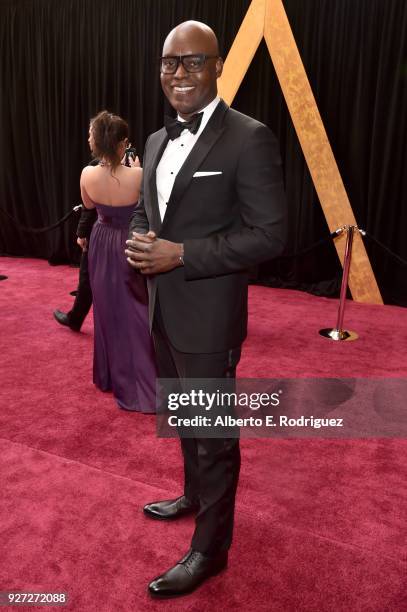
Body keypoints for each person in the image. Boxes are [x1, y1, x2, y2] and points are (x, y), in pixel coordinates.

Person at [126, 21, 287, 597]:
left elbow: (270, 235)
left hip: (211, 316)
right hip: (162, 312)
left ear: (217, 66)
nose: (178, 74)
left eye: (193, 62)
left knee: (215, 434)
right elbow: (148, 208)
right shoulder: (152, 140)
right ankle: (193, 497)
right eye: (169, 63)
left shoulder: (249, 138)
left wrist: (181, 255)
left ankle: (210, 551)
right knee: (186, 419)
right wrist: (142, 241)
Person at [82, 110, 156, 413]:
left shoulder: (87, 174)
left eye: (90, 134)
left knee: (107, 308)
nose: (87, 137)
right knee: (138, 311)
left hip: (101, 240)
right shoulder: (139, 174)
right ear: (123, 144)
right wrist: (134, 170)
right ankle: (144, 379)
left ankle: (109, 375)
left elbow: (88, 204)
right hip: (132, 241)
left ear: (99, 143)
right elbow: (149, 208)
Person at [53, 205, 97, 332]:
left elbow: (90, 207)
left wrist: (81, 233)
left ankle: (75, 319)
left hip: (100, 231)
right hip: (125, 232)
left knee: (86, 278)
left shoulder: (92, 183)